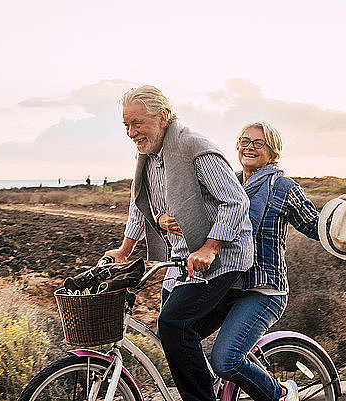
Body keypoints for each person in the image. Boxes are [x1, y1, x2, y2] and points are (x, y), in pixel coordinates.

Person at [104, 85, 254, 401]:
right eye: (126, 125)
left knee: (174, 325)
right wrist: (125, 249)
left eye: (137, 123)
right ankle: (212, 383)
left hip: (223, 258)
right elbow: (140, 203)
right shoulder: (147, 157)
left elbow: (236, 202)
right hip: (183, 258)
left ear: (162, 117)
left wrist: (210, 246)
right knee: (173, 336)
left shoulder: (192, 147)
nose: (131, 132)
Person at [159, 121, 328, 400]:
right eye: (244, 141)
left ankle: (281, 395)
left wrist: (341, 216)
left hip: (262, 290)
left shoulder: (282, 186)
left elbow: (315, 225)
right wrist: (162, 219)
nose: (249, 147)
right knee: (176, 333)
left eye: (258, 143)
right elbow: (195, 217)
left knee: (225, 360)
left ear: (273, 152)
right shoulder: (227, 182)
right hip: (224, 285)